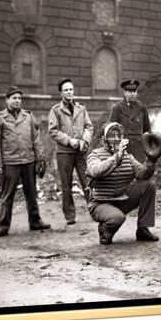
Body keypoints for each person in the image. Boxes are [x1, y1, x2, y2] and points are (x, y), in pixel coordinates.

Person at [86, 122, 161, 245]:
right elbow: (96, 171)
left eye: (119, 135)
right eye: (112, 135)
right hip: (100, 203)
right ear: (104, 139)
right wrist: (116, 157)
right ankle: (104, 230)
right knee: (116, 218)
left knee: (148, 185)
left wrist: (151, 160)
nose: (116, 139)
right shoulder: (95, 154)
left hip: (121, 199)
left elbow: (142, 174)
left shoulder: (127, 156)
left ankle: (143, 229)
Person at [0, 86, 51, 238]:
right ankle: (2, 225)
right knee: (7, 195)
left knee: (31, 193)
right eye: (14, 98)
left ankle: (35, 221)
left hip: (28, 160)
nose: (17, 101)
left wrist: (40, 158)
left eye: (19, 98)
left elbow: (36, 139)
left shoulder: (28, 117)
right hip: (10, 162)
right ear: (7, 100)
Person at [48, 78, 94, 225]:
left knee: (88, 181)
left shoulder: (81, 108)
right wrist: (69, 141)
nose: (69, 92)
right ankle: (70, 216)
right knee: (66, 185)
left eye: (71, 89)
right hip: (64, 153)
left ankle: (95, 210)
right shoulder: (55, 110)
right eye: (66, 90)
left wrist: (85, 141)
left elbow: (89, 126)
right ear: (61, 93)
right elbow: (53, 131)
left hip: (81, 151)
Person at [109, 79, 151, 162]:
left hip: (139, 147)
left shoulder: (142, 107)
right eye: (129, 91)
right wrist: (116, 148)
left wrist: (147, 148)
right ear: (125, 92)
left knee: (139, 171)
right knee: (125, 171)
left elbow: (147, 130)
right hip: (124, 146)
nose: (132, 94)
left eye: (134, 91)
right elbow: (112, 130)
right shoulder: (117, 108)